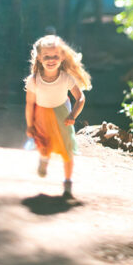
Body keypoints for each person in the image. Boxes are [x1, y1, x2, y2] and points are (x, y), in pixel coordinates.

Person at [24, 33, 92, 198]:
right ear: (39, 58)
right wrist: (30, 125)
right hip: (41, 114)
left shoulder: (66, 78)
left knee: (67, 148)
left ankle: (67, 182)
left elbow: (81, 98)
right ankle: (44, 159)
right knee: (45, 145)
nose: (51, 59)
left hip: (63, 114)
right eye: (47, 56)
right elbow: (29, 104)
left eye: (55, 56)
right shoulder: (33, 80)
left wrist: (73, 115)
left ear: (62, 57)